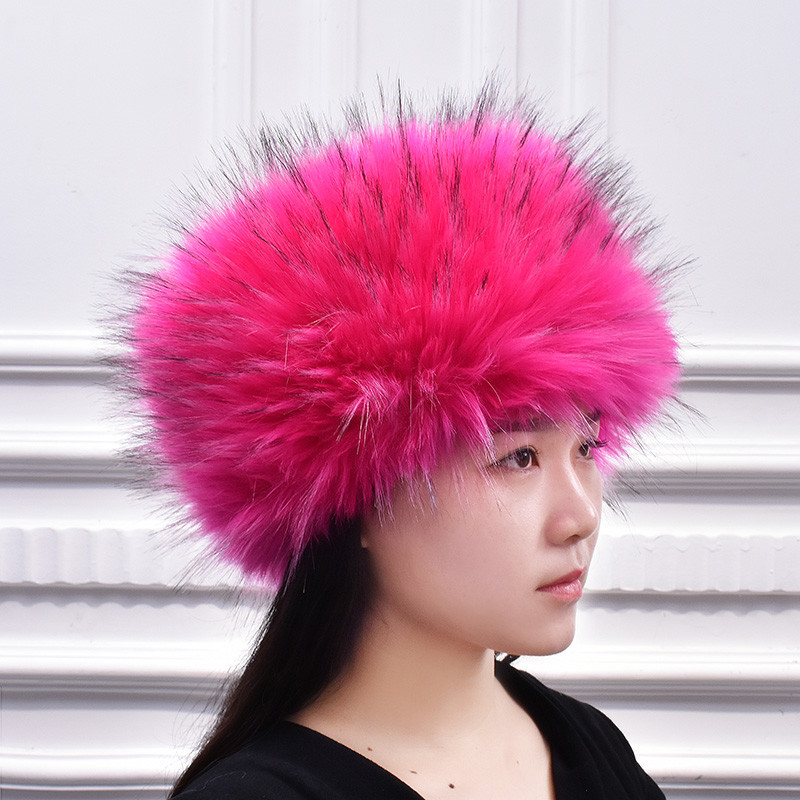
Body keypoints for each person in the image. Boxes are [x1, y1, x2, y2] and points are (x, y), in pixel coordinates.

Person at [124, 83, 679, 799]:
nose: (581, 516)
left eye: (587, 448)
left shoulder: (585, 742)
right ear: (354, 498)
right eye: (518, 457)